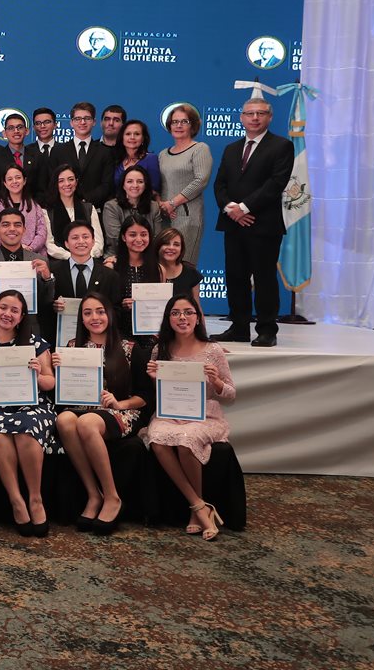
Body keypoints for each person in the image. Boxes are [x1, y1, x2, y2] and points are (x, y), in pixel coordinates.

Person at [52, 293, 149, 534]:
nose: (94, 317)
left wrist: (119, 404)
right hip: (83, 410)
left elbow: (146, 396)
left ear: (110, 314)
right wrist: (58, 371)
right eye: (87, 313)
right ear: (81, 318)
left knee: (86, 423)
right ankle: (93, 494)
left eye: (100, 311)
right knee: (64, 419)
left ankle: (112, 497)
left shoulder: (130, 348)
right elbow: (64, 392)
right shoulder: (72, 348)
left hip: (122, 412)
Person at [143, 295, 236, 540]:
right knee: (156, 436)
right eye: (175, 313)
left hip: (205, 415)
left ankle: (197, 511)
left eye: (188, 312)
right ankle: (198, 504)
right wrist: (154, 380)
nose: (182, 318)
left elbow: (231, 393)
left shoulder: (213, 350)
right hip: (170, 414)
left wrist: (216, 382)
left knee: (186, 440)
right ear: (168, 319)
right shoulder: (159, 349)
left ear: (197, 317)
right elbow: (161, 395)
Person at [0, 290, 56, 536]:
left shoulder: (36, 343)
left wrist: (39, 375)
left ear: (21, 317)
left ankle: (35, 498)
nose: (8, 314)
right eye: (3, 308)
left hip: (33, 404)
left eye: (14, 310)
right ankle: (16, 500)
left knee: (26, 430)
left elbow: (51, 382)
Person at [212, 98, 293, 347]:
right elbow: (220, 184)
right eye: (249, 113)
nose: (255, 118)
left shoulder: (282, 146)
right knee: (235, 277)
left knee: (264, 278)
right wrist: (231, 209)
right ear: (241, 117)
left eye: (260, 113)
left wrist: (244, 207)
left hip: (263, 225)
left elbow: (275, 184)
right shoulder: (231, 148)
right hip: (234, 224)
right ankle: (239, 327)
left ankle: (267, 330)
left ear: (269, 117)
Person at [0, 208, 55, 336]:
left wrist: (47, 279)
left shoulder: (40, 261)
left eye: (17, 225)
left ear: (24, 230)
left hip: (32, 332)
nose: (12, 229)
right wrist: (3, 322)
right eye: (5, 225)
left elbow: (47, 303)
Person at [48, 221, 124, 339]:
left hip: (99, 337)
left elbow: (117, 310)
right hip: (63, 336)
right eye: (75, 238)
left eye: (85, 237)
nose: (81, 241)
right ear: (66, 244)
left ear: (93, 241)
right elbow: (44, 305)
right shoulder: (53, 271)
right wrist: (53, 306)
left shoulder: (110, 275)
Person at [157, 105, 213, 264]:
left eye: (184, 121)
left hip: (188, 217)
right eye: (175, 122)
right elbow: (157, 183)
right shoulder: (163, 154)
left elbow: (201, 180)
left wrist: (173, 203)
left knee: (184, 266)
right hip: (164, 216)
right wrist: (162, 204)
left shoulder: (199, 149)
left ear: (193, 125)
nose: (178, 125)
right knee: (163, 266)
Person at [49, 102, 114, 209]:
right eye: (78, 119)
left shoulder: (105, 152)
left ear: (94, 122)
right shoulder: (58, 150)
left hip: (95, 209)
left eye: (87, 118)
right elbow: (52, 181)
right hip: (64, 208)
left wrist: (85, 200)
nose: (82, 122)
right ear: (71, 123)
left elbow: (106, 184)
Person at [108, 215, 164, 340]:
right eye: (132, 235)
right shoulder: (112, 266)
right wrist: (122, 305)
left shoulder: (158, 269)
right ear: (123, 237)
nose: (139, 239)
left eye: (144, 234)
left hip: (150, 335)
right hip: (119, 334)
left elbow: (162, 305)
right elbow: (104, 304)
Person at [43, 164, 105, 260]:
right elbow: (50, 245)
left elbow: (98, 242)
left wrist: (87, 256)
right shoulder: (47, 211)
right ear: (56, 184)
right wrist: (71, 257)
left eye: (71, 179)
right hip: (61, 262)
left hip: (90, 260)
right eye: (61, 181)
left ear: (76, 182)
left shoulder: (89, 208)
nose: (67, 184)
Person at [102, 167, 162, 259]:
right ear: (123, 185)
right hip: (117, 256)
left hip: (147, 256)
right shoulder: (111, 206)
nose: (135, 185)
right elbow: (116, 239)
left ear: (145, 185)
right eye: (130, 181)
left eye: (140, 182)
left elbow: (157, 238)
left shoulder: (154, 206)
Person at [0, 166, 47, 255]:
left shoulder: (35, 206)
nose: (14, 181)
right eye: (10, 179)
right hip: (3, 252)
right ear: (5, 183)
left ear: (24, 181)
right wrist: (15, 247)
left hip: (31, 253)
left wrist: (30, 248)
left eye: (18, 178)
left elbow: (42, 232)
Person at [0, 113, 46, 199]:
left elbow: (42, 188)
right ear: (4, 133)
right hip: (5, 208)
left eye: (20, 127)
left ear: (27, 131)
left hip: (32, 207)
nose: (16, 131)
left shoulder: (38, 156)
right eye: (11, 128)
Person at [157, 227, 202, 300]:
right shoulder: (148, 270)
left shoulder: (191, 272)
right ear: (158, 246)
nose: (171, 248)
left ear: (181, 249)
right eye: (166, 243)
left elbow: (196, 305)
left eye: (176, 244)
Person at [25, 108, 59, 200]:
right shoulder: (25, 152)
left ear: (55, 125)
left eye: (47, 122)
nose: (42, 126)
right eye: (38, 123)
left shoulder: (65, 151)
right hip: (31, 205)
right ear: (33, 127)